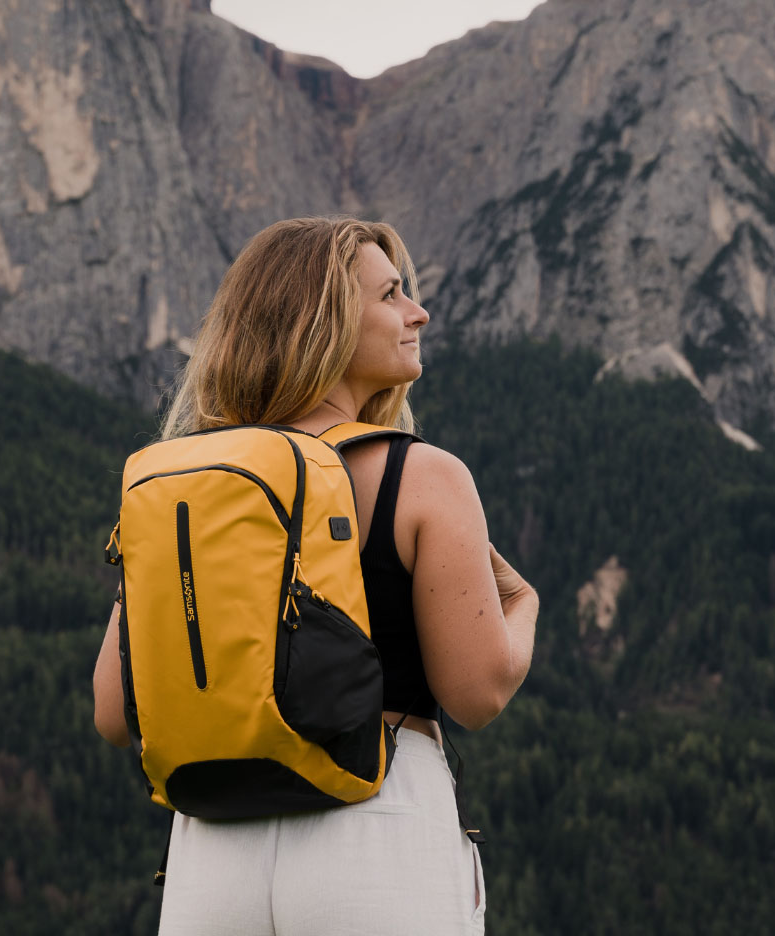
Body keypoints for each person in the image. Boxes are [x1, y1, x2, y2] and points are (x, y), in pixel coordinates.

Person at [93, 217, 538, 935]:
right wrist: (525, 606)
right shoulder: (420, 476)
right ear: (323, 326)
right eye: (391, 294)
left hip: (212, 854)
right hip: (376, 829)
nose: (417, 312)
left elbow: (115, 714)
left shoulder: (184, 486)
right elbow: (479, 692)